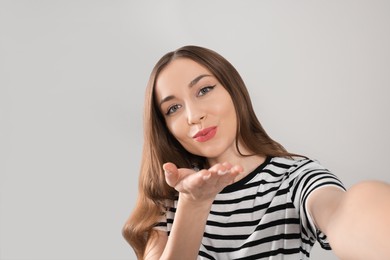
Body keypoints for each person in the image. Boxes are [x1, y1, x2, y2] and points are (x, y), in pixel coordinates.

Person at [122, 45, 390, 260]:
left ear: (234, 92)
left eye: (204, 90)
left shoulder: (296, 178)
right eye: (173, 109)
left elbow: (342, 213)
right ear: (165, 127)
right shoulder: (168, 200)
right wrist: (193, 203)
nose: (194, 115)